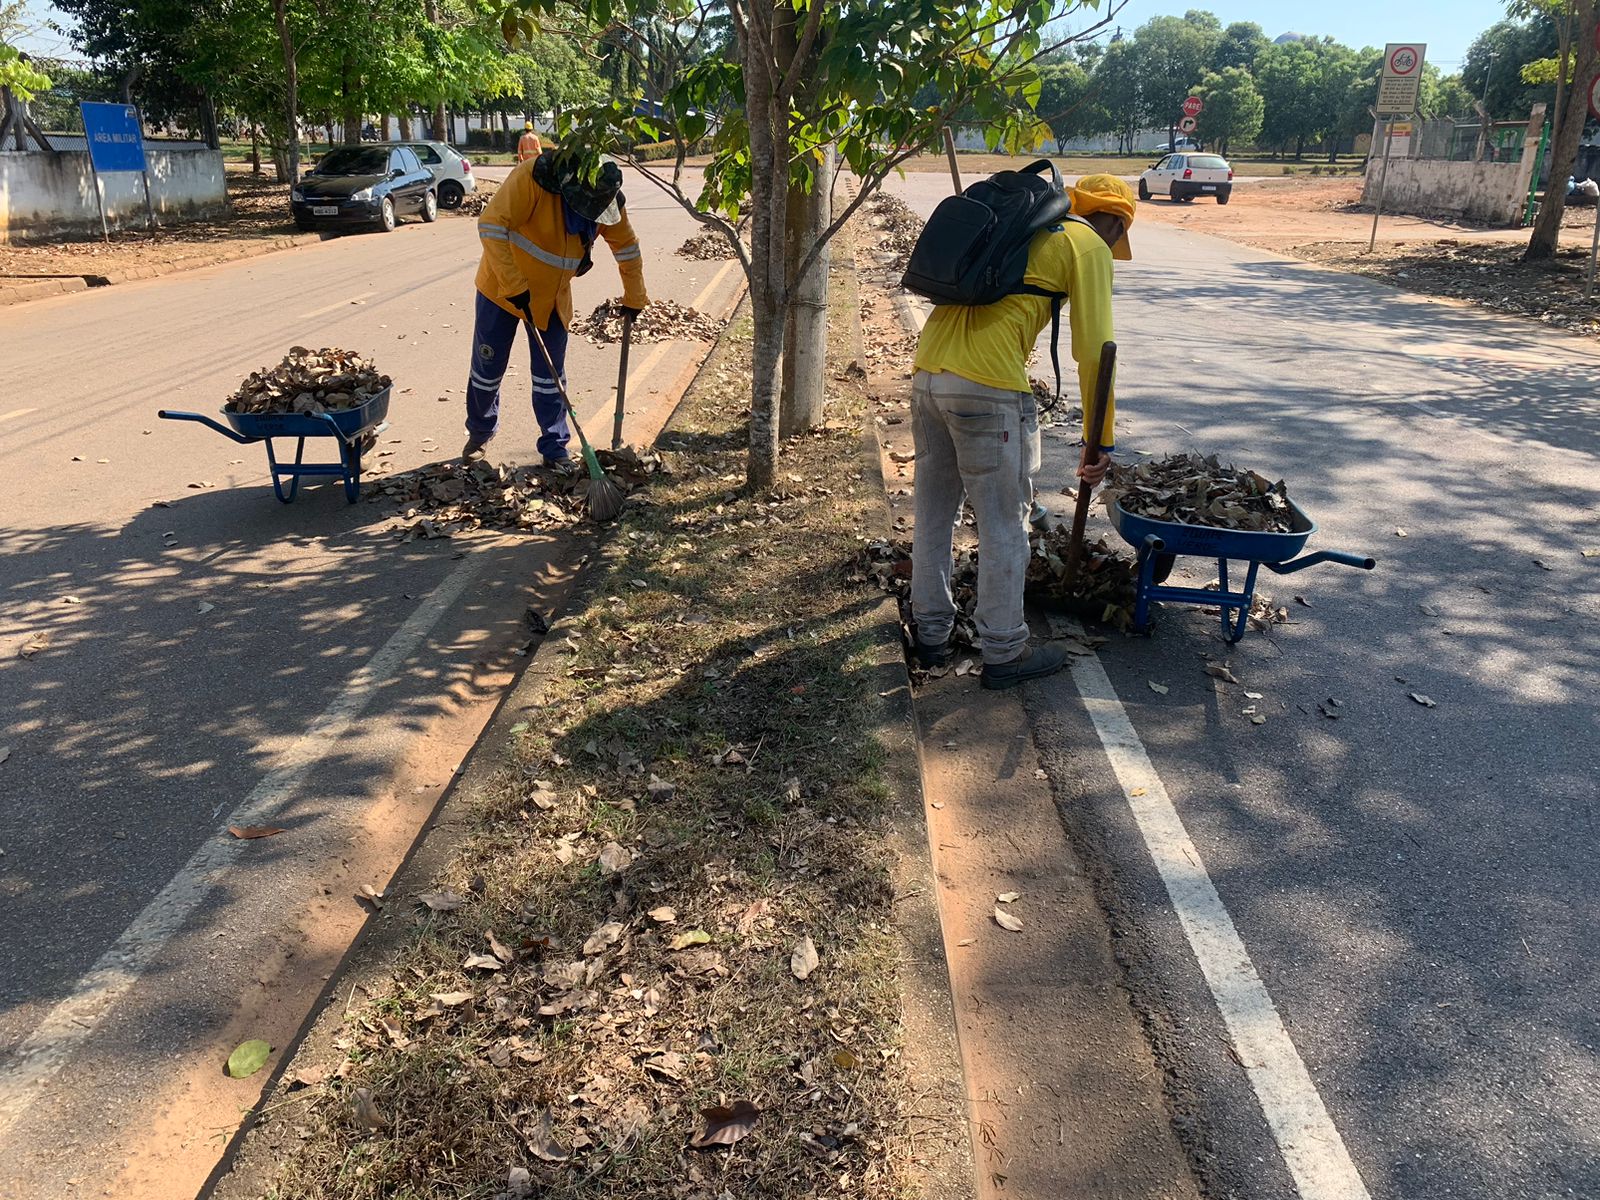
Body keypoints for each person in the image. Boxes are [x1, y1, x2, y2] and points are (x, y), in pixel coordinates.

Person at [908, 172, 1136, 690]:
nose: (1115, 245)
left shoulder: (1022, 228)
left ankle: (931, 635)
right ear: (1115, 223)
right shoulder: (1086, 244)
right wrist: (1099, 439)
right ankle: (1005, 651)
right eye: (1118, 236)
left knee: (934, 515)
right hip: (989, 389)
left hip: (927, 376)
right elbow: (1096, 353)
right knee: (1004, 525)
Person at [463, 149, 649, 468]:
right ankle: (479, 433)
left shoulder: (607, 200)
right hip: (502, 290)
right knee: (487, 370)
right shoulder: (533, 178)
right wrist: (514, 285)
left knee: (551, 377)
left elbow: (627, 248)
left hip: (552, 297)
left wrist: (635, 297)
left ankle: (554, 445)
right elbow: (491, 225)